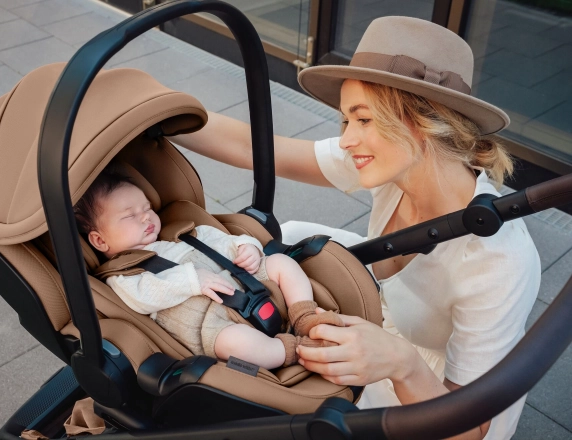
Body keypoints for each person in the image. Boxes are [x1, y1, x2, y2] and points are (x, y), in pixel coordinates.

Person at [170, 16, 540, 440]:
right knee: (287, 240)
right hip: (384, 320)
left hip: (432, 395)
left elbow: (467, 429)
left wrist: (403, 364)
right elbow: (255, 147)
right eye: (347, 121)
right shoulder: (394, 164)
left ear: (423, 122)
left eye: (363, 120)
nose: (347, 140)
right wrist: (160, 108)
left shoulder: (498, 262)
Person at [73, 168, 344, 370]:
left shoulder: (185, 233)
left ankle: (305, 316)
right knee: (234, 344)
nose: (145, 216)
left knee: (282, 263)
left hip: (247, 284)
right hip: (209, 324)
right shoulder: (123, 276)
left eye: (147, 208)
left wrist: (247, 248)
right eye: (130, 215)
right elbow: (144, 298)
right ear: (100, 240)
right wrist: (192, 280)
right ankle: (297, 351)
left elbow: (224, 243)